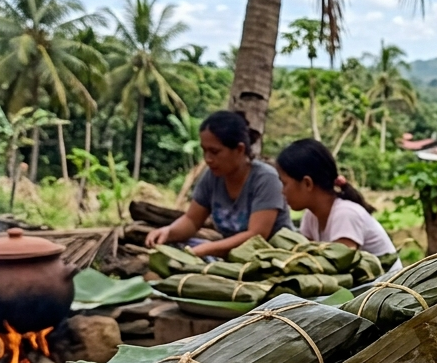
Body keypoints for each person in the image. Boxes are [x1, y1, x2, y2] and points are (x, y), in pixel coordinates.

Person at [145, 111, 293, 256]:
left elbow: (256, 235)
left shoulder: (266, 179)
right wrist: (168, 232)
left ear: (239, 149)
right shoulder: (211, 177)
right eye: (204, 151)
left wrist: (206, 249)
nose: (208, 159)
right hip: (235, 258)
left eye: (215, 152)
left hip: (274, 257)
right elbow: (192, 220)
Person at [275, 138, 397, 258]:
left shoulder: (345, 214)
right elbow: (306, 258)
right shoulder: (311, 217)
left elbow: (339, 265)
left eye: (285, 183)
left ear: (307, 183)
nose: (282, 191)